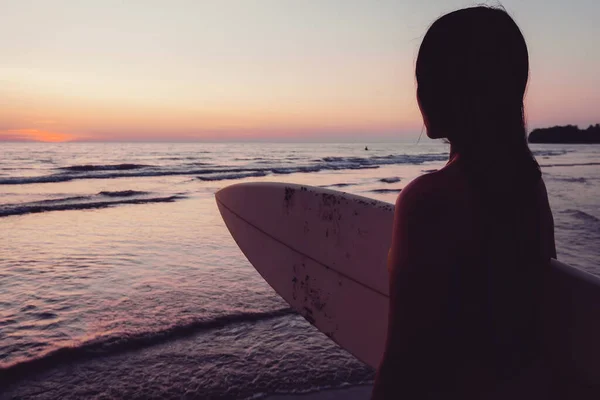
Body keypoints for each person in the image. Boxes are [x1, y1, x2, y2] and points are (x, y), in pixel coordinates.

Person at [371, 6, 559, 399]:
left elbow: (402, 367)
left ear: (452, 92)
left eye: (425, 80)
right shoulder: (528, 186)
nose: (418, 93)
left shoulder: (427, 201)